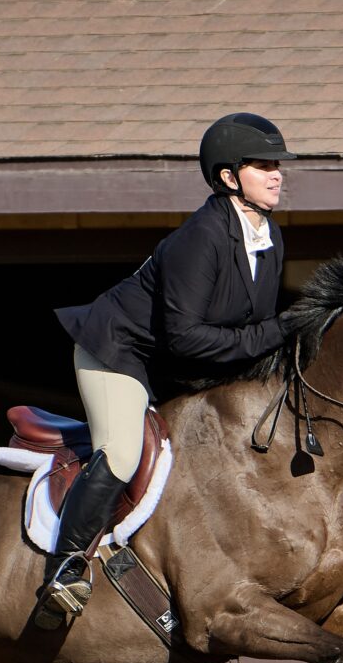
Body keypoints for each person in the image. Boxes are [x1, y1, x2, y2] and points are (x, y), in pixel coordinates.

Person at [32, 112, 300, 629]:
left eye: (277, 166)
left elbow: (257, 330)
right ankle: (64, 571)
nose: (276, 175)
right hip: (117, 351)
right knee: (123, 452)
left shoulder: (268, 237)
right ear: (229, 177)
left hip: (174, 364)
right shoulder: (201, 236)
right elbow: (188, 337)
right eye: (263, 165)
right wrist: (279, 331)